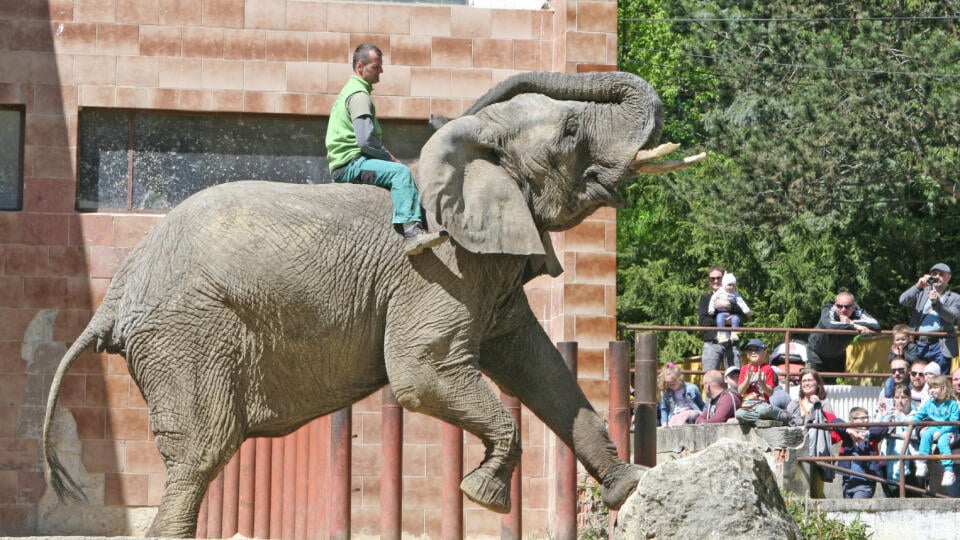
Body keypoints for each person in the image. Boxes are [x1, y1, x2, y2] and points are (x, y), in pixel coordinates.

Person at [325, 43, 447, 256]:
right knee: (400, 173)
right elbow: (365, 141)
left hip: (350, 161)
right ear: (360, 66)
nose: (381, 71)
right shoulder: (359, 96)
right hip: (351, 164)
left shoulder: (351, 91)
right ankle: (412, 232)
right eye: (376, 66)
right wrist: (390, 158)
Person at [899, 263, 960, 376]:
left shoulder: (955, 298)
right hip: (919, 344)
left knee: (940, 382)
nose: (937, 277)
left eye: (941, 274)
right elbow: (902, 300)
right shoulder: (922, 294)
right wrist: (918, 286)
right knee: (916, 380)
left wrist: (936, 303)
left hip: (941, 345)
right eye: (934, 274)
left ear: (949, 277)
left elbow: (951, 316)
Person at [806, 292, 880, 382]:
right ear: (835, 305)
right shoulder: (828, 309)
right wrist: (854, 327)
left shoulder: (858, 311)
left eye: (847, 306)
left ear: (854, 306)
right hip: (816, 353)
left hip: (837, 355)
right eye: (839, 306)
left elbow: (876, 325)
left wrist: (851, 322)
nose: (843, 310)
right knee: (815, 384)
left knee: (834, 388)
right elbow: (830, 326)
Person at [910, 375, 960, 487]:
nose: (932, 390)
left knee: (943, 441)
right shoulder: (930, 403)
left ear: (944, 388)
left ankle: (948, 470)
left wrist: (941, 432)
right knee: (926, 434)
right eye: (930, 387)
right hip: (934, 427)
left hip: (949, 429)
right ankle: (922, 462)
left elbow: (954, 421)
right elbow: (920, 415)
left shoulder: (952, 404)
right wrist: (911, 425)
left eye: (935, 387)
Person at [698, 266, 743, 372]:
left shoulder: (735, 297)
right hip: (712, 344)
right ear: (709, 281)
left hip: (732, 344)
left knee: (735, 380)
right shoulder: (705, 299)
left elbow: (744, 314)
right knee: (710, 379)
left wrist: (728, 306)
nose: (716, 281)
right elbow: (704, 322)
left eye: (719, 278)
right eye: (712, 279)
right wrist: (724, 321)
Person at [877, 383, 918, 496]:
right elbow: (876, 431)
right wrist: (882, 414)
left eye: (903, 397)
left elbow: (914, 432)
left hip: (909, 463)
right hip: (887, 460)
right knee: (888, 497)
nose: (900, 401)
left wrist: (900, 416)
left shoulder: (915, 415)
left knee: (910, 496)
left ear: (909, 399)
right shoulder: (890, 415)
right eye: (897, 397)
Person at [837, 406, 887, 499]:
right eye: (862, 418)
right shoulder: (847, 435)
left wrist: (866, 434)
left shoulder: (871, 434)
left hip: (865, 484)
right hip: (848, 482)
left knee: (857, 508)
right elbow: (835, 421)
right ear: (852, 420)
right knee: (849, 511)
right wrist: (849, 430)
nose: (866, 420)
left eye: (867, 417)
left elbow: (884, 428)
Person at [707, 272, 751, 343]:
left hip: (731, 314)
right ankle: (722, 334)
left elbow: (741, 302)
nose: (731, 287)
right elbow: (712, 300)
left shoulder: (735, 294)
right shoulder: (719, 292)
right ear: (724, 285)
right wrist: (711, 310)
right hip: (722, 313)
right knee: (720, 317)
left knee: (736, 318)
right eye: (729, 285)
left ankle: (734, 333)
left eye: (733, 285)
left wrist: (746, 310)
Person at [737, 339, 775, 405]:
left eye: (757, 349)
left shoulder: (768, 368)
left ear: (764, 353)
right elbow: (740, 392)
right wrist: (747, 379)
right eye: (750, 350)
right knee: (738, 413)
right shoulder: (744, 368)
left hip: (763, 403)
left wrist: (762, 383)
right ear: (747, 354)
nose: (753, 352)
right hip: (747, 404)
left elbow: (770, 393)